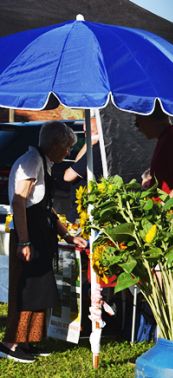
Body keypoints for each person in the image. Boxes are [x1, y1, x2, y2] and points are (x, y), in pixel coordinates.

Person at [1, 121, 88, 363]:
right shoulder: (32, 161)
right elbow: (19, 201)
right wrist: (24, 242)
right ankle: (11, 343)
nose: (68, 152)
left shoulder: (43, 163)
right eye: (67, 147)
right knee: (26, 291)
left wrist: (68, 236)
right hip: (27, 238)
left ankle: (27, 341)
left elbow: (47, 210)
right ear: (56, 143)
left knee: (39, 293)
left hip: (40, 235)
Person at [64, 118, 102, 224]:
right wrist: (87, 144)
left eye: (88, 132)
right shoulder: (94, 149)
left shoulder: (96, 152)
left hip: (83, 211)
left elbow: (68, 176)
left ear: (98, 132)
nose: (85, 136)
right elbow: (78, 162)